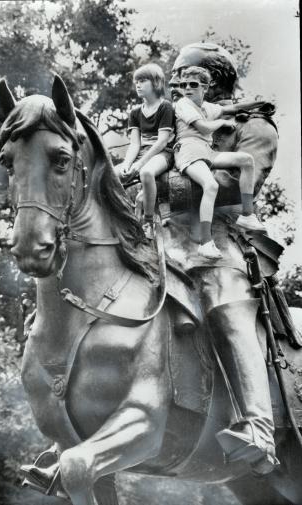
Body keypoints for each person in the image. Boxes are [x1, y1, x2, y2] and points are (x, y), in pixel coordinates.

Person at [168, 42, 280, 474]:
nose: (175, 81)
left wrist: (163, 187)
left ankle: (258, 427)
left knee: (225, 298)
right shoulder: (176, 118)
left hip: (218, 235)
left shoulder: (256, 128)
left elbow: (232, 189)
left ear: (209, 80)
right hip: (161, 233)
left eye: (183, 73)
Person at [174, 65, 266, 260]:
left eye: (193, 84)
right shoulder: (182, 104)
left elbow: (230, 108)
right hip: (189, 151)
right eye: (184, 85)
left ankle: (247, 216)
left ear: (205, 88)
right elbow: (204, 128)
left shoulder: (207, 107)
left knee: (246, 160)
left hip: (207, 152)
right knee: (211, 185)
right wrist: (222, 123)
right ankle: (205, 244)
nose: (187, 88)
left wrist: (258, 104)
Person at [118, 63, 175, 239]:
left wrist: (139, 164)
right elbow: (135, 144)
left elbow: (162, 142)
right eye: (136, 81)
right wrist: (127, 164)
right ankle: (119, 220)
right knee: (112, 173)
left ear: (156, 83)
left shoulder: (165, 107)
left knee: (147, 172)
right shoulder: (135, 112)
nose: (138, 85)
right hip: (142, 152)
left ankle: (148, 222)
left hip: (162, 153)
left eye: (143, 80)